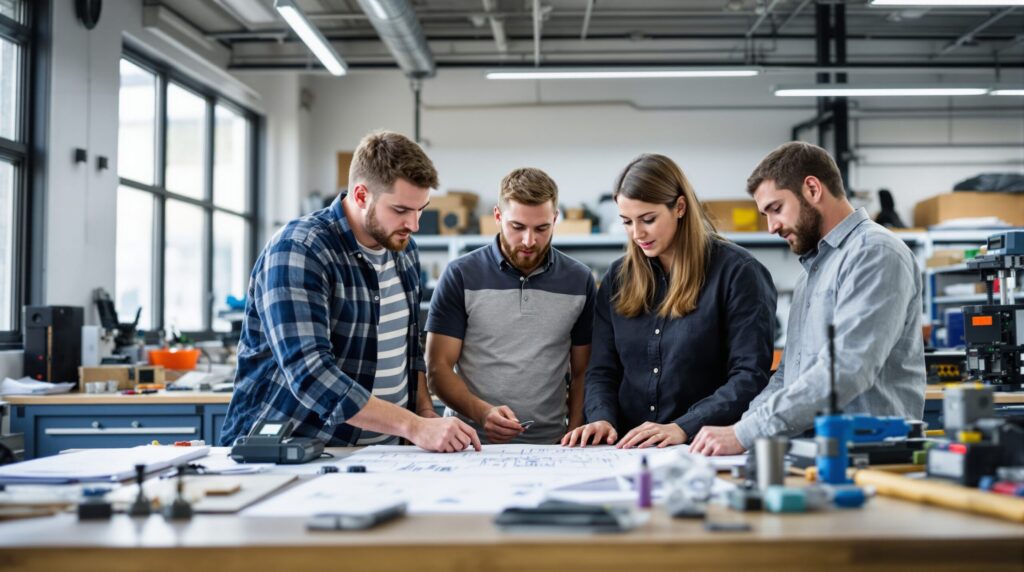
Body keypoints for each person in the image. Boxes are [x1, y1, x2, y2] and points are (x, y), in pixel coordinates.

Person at [221, 131, 480, 453]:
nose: (414, 224)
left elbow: (409, 351)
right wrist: (414, 426)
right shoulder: (300, 249)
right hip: (296, 450)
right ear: (360, 195)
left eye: (421, 209)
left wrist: (425, 414)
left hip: (385, 452)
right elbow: (310, 373)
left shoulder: (403, 249)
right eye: (400, 210)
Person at [690, 142, 926, 456]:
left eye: (776, 209)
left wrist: (744, 434)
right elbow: (788, 375)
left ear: (812, 188)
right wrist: (741, 431)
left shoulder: (876, 252)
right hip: (815, 454)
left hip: (871, 458)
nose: (771, 226)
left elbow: (846, 369)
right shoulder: (811, 274)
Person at [562, 154, 777, 449]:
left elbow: (750, 376)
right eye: (627, 222)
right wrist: (602, 418)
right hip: (626, 449)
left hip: (705, 447)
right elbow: (602, 369)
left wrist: (682, 427)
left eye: (648, 220)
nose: (637, 234)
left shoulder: (738, 273)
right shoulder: (617, 278)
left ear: (679, 207)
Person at [426, 168, 596, 444]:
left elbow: (583, 372)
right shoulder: (460, 275)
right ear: (497, 217)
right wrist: (482, 413)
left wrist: (573, 435)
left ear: (555, 220)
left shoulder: (579, 280)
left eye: (542, 228)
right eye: (517, 227)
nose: (529, 241)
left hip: (551, 445)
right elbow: (437, 368)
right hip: (469, 444)